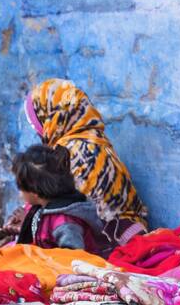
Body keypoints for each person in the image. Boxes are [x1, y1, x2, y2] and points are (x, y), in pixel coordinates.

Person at [24, 78, 147, 245]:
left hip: (105, 241)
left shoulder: (70, 153)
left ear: (52, 115)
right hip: (129, 231)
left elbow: (71, 214)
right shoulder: (95, 140)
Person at [12, 143, 109, 255]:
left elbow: (74, 258)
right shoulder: (41, 206)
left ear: (34, 193)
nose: (20, 194)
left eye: (21, 189)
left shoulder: (65, 224)